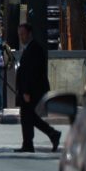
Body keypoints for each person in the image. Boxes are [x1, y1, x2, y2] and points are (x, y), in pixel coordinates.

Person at [14, 23, 61, 153]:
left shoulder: (35, 49)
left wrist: (27, 91)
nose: (21, 37)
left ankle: (49, 135)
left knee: (28, 116)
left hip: (33, 90)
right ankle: (30, 142)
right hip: (28, 90)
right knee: (28, 116)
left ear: (29, 34)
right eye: (19, 35)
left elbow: (32, 72)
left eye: (23, 34)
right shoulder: (29, 48)